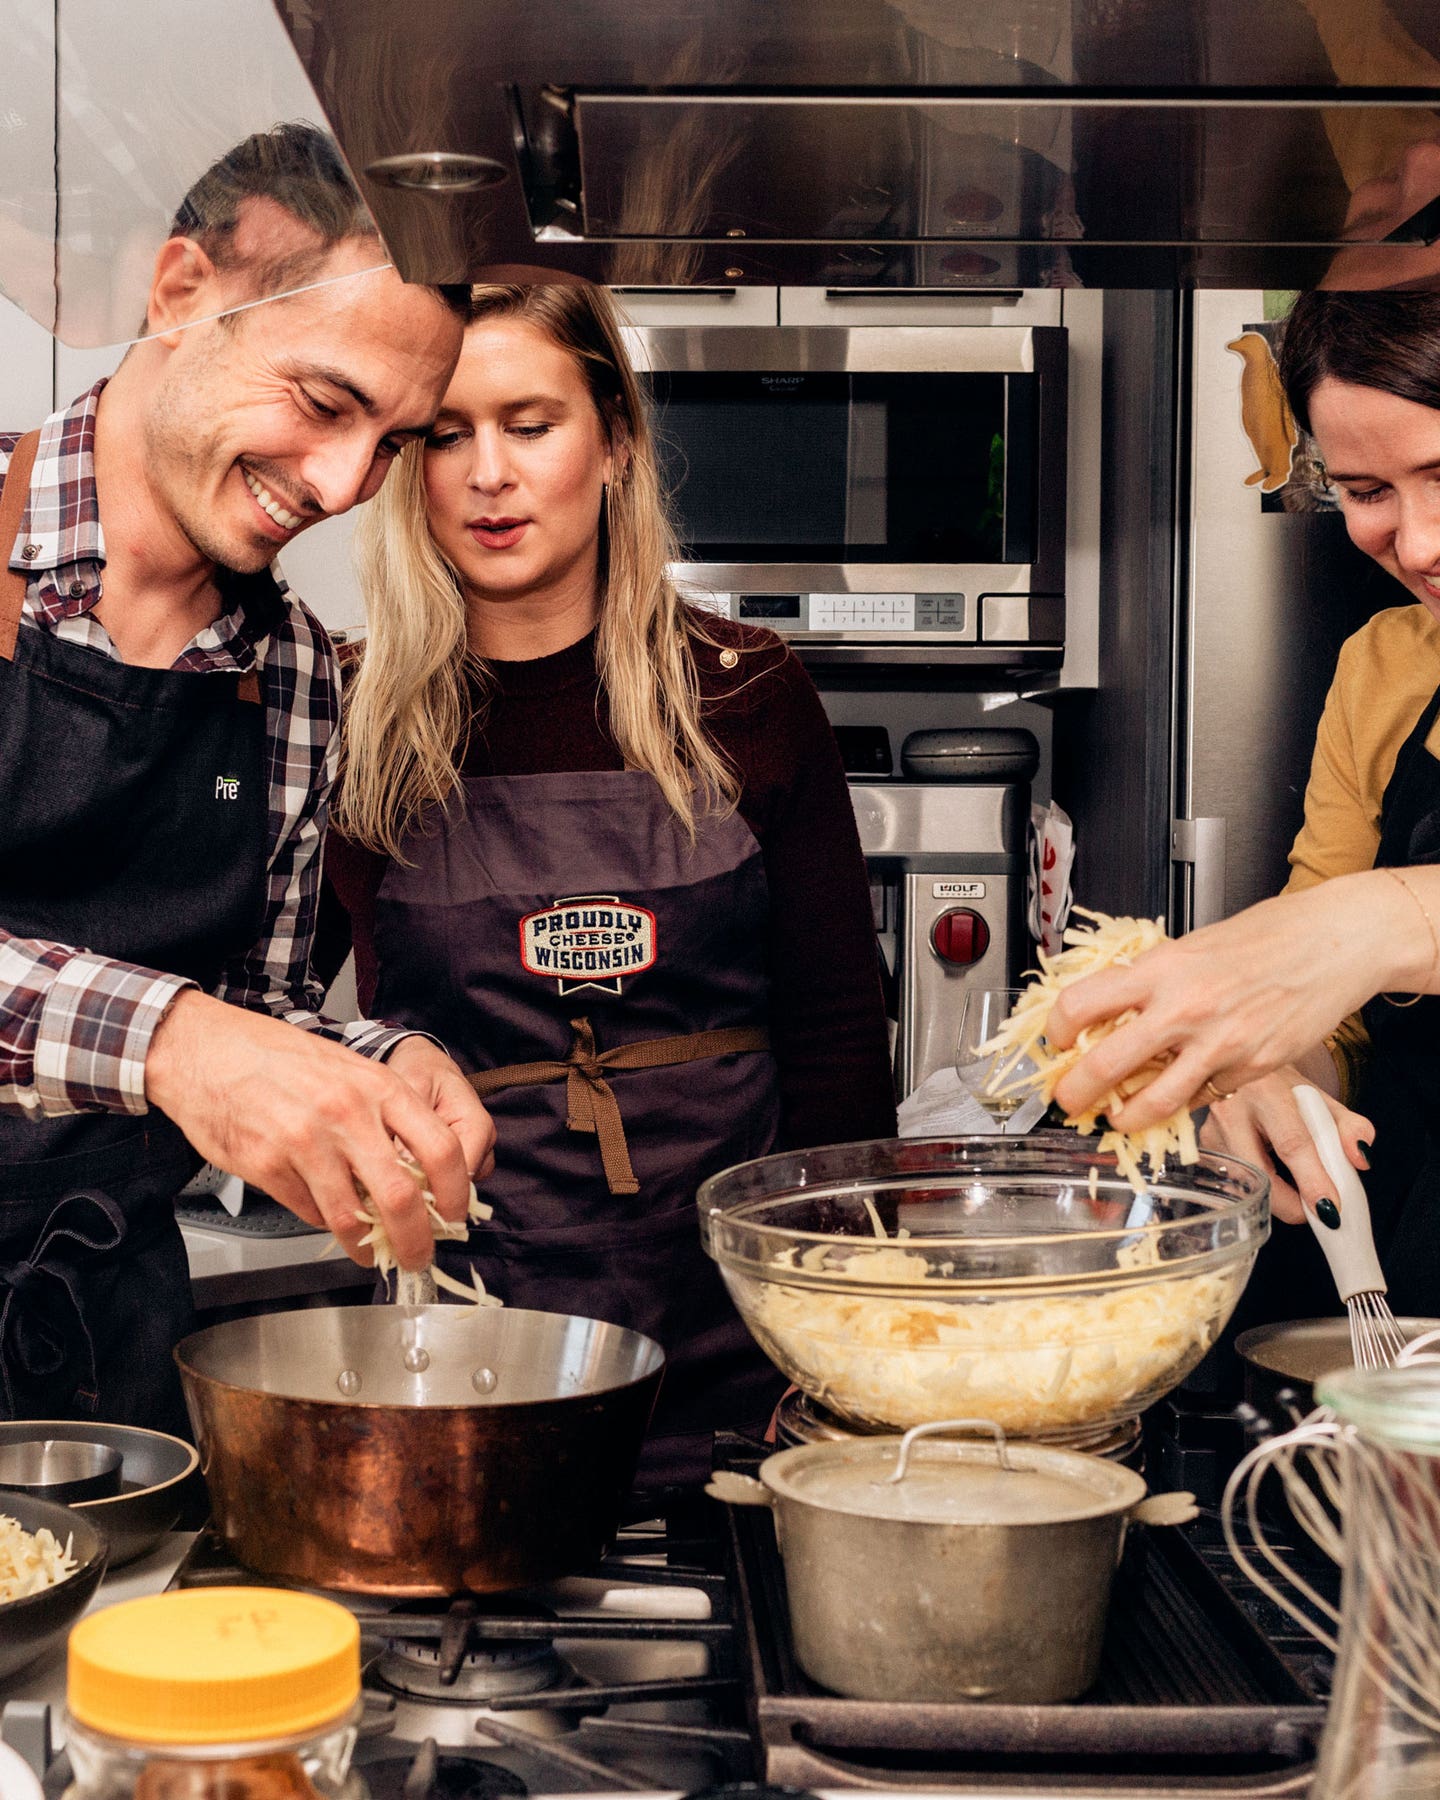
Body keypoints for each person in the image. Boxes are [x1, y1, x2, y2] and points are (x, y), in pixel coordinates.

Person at [320, 282, 897, 1487]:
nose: (488, 473)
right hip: (476, 1334)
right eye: (445, 433)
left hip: (744, 1343)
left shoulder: (747, 691)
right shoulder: (350, 717)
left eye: (529, 424)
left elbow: (839, 1033)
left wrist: (840, 1326)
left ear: (615, 443)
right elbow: (254, 1004)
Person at [0, 123, 496, 1436]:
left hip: (111, 1359)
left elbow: (251, 1009)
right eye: (328, 403)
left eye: (393, 441)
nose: (343, 484)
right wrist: (173, 1043)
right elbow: (199, 1041)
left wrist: (379, 1064)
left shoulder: (295, 674)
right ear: (181, 292)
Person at [1049, 290, 1440, 1318]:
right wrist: (1273, 1067)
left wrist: (1387, 920)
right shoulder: (1387, 668)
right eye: (1367, 491)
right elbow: (1337, 1013)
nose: (1421, 543)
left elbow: (1349, 933)